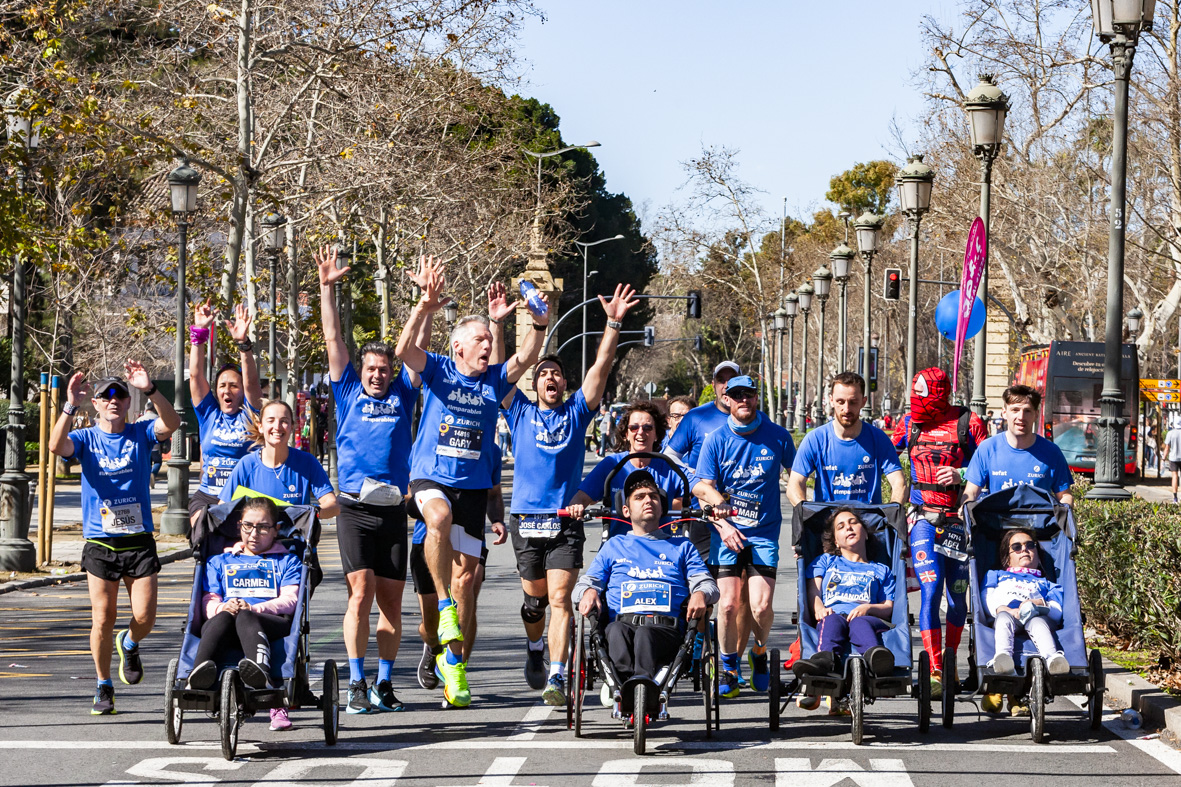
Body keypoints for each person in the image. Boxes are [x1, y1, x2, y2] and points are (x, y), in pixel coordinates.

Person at [394, 263, 546, 708]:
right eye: (479, 339)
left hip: (473, 490)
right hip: (430, 477)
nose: (487, 346)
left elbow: (527, 357)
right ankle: (441, 612)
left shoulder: (495, 381)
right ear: (458, 346)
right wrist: (425, 304)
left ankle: (455, 668)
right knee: (436, 522)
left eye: (489, 340)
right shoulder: (440, 369)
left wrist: (537, 321)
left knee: (469, 585)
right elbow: (405, 349)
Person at [491, 281, 640, 705]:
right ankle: (535, 647)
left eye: (556, 373)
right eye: (543, 374)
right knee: (535, 602)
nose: (550, 377)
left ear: (564, 383)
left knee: (560, 599)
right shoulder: (517, 411)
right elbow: (504, 373)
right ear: (534, 385)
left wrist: (613, 323)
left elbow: (602, 367)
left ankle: (557, 677)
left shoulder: (577, 413)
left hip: (564, 523)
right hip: (525, 521)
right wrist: (499, 325)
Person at [314, 247, 433, 714]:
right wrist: (327, 288)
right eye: (372, 370)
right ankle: (356, 681)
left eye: (384, 370)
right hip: (354, 509)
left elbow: (414, 351)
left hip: (392, 511)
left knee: (391, 604)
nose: (379, 375)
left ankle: (384, 683)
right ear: (360, 373)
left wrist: (423, 302)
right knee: (359, 593)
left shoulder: (404, 391)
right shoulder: (345, 389)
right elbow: (332, 338)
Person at [48, 363, 181, 715]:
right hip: (102, 542)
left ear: (127, 402)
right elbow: (55, 445)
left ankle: (130, 641)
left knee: (146, 616)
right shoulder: (86, 438)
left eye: (119, 394)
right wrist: (69, 406)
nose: (113, 400)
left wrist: (151, 389)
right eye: (106, 395)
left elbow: (172, 424)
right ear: (95, 403)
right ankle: (103, 685)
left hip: (138, 541)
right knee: (103, 618)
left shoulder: (140, 433)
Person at [693, 375, 796, 698]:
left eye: (748, 395)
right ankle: (728, 665)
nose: (743, 401)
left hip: (763, 534)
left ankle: (759, 652)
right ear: (726, 400)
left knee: (762, 606)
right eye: (736, 395)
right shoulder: (716, 440)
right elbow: (700, 487)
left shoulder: (778, 437)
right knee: (727, 605)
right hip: (727, 534)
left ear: (756, 398)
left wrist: (808, 518)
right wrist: (721, 514)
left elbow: (799, 478)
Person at [890, 368, 988, 700]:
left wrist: (961, 473)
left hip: (958, 524)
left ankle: (952, 663)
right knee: (931, 590)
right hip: (923, 521)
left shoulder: (968, 422)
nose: (916, 401)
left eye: (922, 394)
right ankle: (933, 668)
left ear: (940, 394)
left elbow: (989, 464)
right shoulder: (907, 424)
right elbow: (884, 457)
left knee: (958, 598)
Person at [573, 470, 718, 689]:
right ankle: (622, 683)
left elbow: (708, 585)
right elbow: (584, 585)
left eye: (653, 496)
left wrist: (699, 593)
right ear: (626, 509)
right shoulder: (614, 545)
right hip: (621, 624)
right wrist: (589, 591)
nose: (648, 500)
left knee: (644, 633)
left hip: (665, 631)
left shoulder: (682, 547)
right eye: (639, 497)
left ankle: (641, 684)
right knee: (615, 631)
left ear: (662, 507)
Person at [187, 497, 301, 731]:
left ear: (276, 529)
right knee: (227, 615)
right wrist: (221, 608)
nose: (254, 533)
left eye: (262, 527)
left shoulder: (288, 561)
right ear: (239, 526)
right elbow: (209, 599)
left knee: (245, 615)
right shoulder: (219, 560)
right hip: (224, 621)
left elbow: (290, 600)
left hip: (269, 622)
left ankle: (264, 679)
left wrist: (255, 608)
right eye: (247, 526)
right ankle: (198, 676)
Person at [413, 448, 507, 689]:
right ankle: (433, 646)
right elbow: (408, 492)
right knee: (430, 624)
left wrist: (496, 520)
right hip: (428, 540)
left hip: (469, 534)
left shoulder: (489, 451)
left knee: (467, 587)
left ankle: (456, 669)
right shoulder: (426, 444)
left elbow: (494, 494)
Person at [792, 507, 896, 714]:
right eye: (841, 526)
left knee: (860, 622)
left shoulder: (881, 569)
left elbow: (888, 608)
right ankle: (824, 660)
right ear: (836, 541)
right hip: (834, 614)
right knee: (832, 622)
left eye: (853, 523)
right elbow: (813, 592)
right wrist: (819, 608)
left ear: (865, 533)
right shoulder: (826, 561)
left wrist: (868, 608)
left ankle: (875, 660)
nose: (848, 527)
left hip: (869, 617)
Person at [188, 302, 264, 525]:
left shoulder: (251, 414)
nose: (227, 390)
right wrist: (199, 333)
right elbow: (195, 377)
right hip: (208, 494)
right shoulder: (209, 413)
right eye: (222, 385)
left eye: (234, 385)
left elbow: (252, 384)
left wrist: (243, 345)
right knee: (200, 530)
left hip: (244, 498)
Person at [980, 528, 1069, 716]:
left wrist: (1039, 604)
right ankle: (1003, 657)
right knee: (1003, 619)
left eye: (1030, 546)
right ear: (1007, 557)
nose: (1025, 550)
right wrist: (1000, 609)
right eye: (1017, 547)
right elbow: (987, 598)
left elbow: (1057, 611)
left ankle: (1052, 658)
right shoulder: (996, 575)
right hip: (1008, 613)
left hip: (1036, 614)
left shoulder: (1047, 583)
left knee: (1037, 622)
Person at [787, 372, 906, 507]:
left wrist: (892, 514)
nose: (846, 409)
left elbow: (899, 482)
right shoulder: (815, 440)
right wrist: (807, 514)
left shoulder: (879, 439)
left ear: (863, 402)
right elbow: (794, 485)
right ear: (831, 400)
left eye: (853, 402)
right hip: (827, 523)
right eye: (840, 402)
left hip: (868, 524)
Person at [569, 401, 685, 527]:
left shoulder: (669, 466)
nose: (640, 432)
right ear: (626, 434)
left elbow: (701, 490)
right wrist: (576, 507)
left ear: (656, 434)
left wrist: (709, 503)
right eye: (634, 428)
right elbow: (580, 498)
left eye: (647, 428)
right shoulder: (611, 464)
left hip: (660, 543)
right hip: (619, 544)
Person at [218, 399, 340, 517]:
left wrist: (308, 513)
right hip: (256, 537)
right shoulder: (246, 464)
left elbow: (333, 506)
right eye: (270, 421)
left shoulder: (307, 462)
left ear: (292, 427)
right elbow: (221, 510)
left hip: (294, 537)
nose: (277, 426)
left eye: (284, 421)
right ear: (260, 426)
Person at [962, 385, 1074, 507]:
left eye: (1027, 411)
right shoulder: (987, 449)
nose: (1021, 417)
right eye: (1015, 410)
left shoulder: (1052, 452)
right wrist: (966, 507)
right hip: (996, 524)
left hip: (1039, 525)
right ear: (1004, 413)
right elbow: (971, 492)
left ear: (1036, 415)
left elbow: (1064, 495)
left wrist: (1066, 507)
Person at [136, 403, 163, 488]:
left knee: (147, 462)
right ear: (154, 409)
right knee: (158, 462)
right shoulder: (158, 419)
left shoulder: (140, 419)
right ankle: (153, 473)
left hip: (143, 446)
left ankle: (147, 477)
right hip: (156, 445)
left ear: (145, 409)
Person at [1165, 415, 1181, 503]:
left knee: (1174, 476)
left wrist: (1163, 458)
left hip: (1173, 458)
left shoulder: (1170, 433)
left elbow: (1167, 447)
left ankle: (1175, 498)